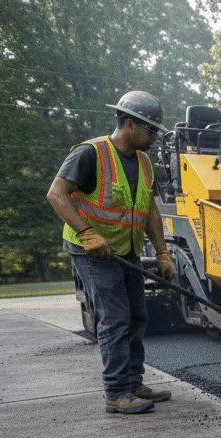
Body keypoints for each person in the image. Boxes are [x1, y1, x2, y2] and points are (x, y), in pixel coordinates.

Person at [46, 91, 173, 415]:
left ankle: (132, 381)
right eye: (151, 130)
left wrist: (162, 253)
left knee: (138, 317)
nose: (155, 137)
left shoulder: (144, 162)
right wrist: (87, 233)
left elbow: (150, 210)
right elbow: (57, 194)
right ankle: (116, 393)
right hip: (92, 252)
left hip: (125, 250)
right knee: (115, 318)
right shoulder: (91, 153)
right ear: (130, 124)